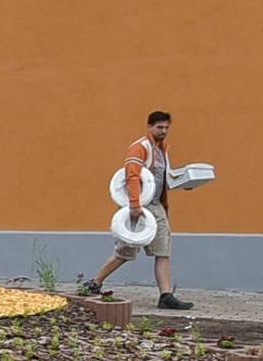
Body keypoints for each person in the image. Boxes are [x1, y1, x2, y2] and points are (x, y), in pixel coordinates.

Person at [79, 110, 193, 311]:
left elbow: (162, 179)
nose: (163, 131)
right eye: (159, 127)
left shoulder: (163, 150)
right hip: (139, 206)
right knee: (125, 251)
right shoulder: (140, 147)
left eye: (166, 127)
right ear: (149, 127)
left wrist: (185, 183)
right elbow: (132, 175)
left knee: (163, 251)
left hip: (156, 207)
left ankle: (166, 295)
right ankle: (95, 283)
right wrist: (134, 205)